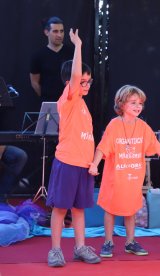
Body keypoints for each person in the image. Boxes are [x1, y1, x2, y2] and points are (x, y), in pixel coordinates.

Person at [88, 85, 160, 258]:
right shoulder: (114, 125)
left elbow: (158, 147)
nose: (138, 106)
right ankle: (108, 242)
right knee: (110, 210)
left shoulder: (143, 126)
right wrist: (94, 164)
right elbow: (102, 147)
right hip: (114, 179)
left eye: (140, 103)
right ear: (121, 104)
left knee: (131, 210)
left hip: (133, 179)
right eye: (133, 102)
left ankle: (130, 242)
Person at [45, 29, 100, 267]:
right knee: (60, 209)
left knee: (79, 209)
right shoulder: (68, 100)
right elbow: (76, 76)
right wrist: (78, 46)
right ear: (71, 83)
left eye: (89, 81)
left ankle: (80, 247)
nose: (86, 84)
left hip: (83, 166)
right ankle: (55, 250)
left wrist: (92, 164)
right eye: (82, 81)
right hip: (67, 163)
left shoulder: (84, 106)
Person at [30, 16, 74, 102]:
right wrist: (45, 96)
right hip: (48, 102)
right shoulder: (38, 56)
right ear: (47, 32)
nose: (59, 35)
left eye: (61, 31)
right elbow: (34, 82)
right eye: (55, 31)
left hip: (69, 102)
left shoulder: (72, 52)